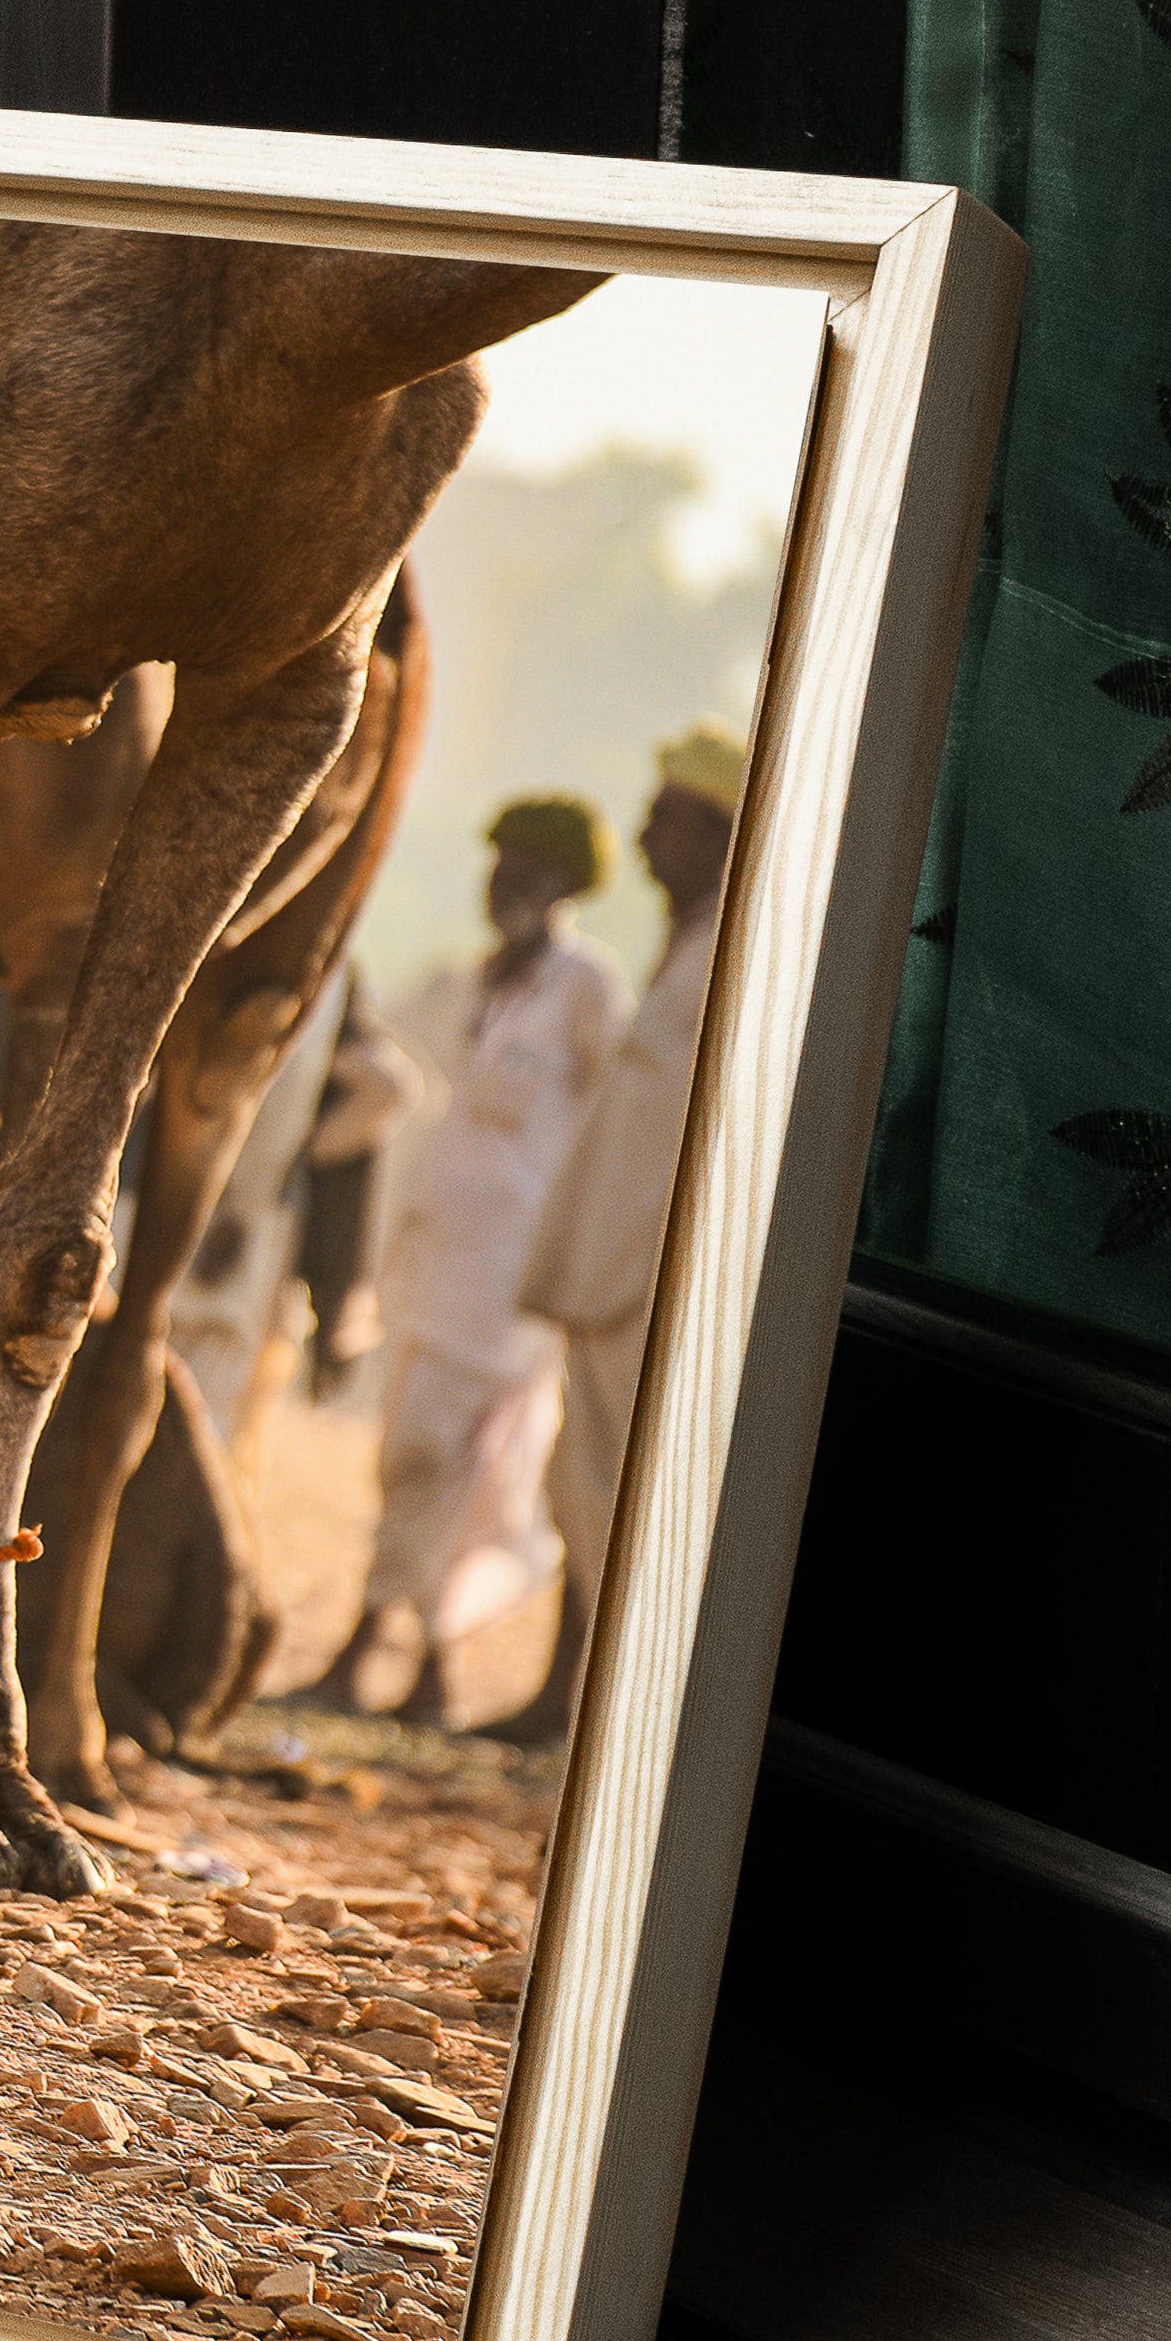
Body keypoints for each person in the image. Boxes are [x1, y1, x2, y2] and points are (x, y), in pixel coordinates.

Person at [294, 795, 625, 1724]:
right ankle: (426, 1667)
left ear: (564, 886)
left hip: (511, 1282)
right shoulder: (483, 980)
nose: (504, 883)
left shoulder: (585, 989)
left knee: (434, 1456)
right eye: (498, 863)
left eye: (525, 868)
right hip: (435, 1259)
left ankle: (365, 1647)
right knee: (431, 1463)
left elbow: (609, 1124)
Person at [492, 721, 745, 1745]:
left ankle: (618, 1717)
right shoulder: (686, 946)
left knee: (620, 1494)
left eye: (667, 820)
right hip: (607, 1276)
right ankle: (577, 1702)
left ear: (724, 834)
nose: (645, 840)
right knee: (581, 1484)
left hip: (647, 1279)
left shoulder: (732, 951)